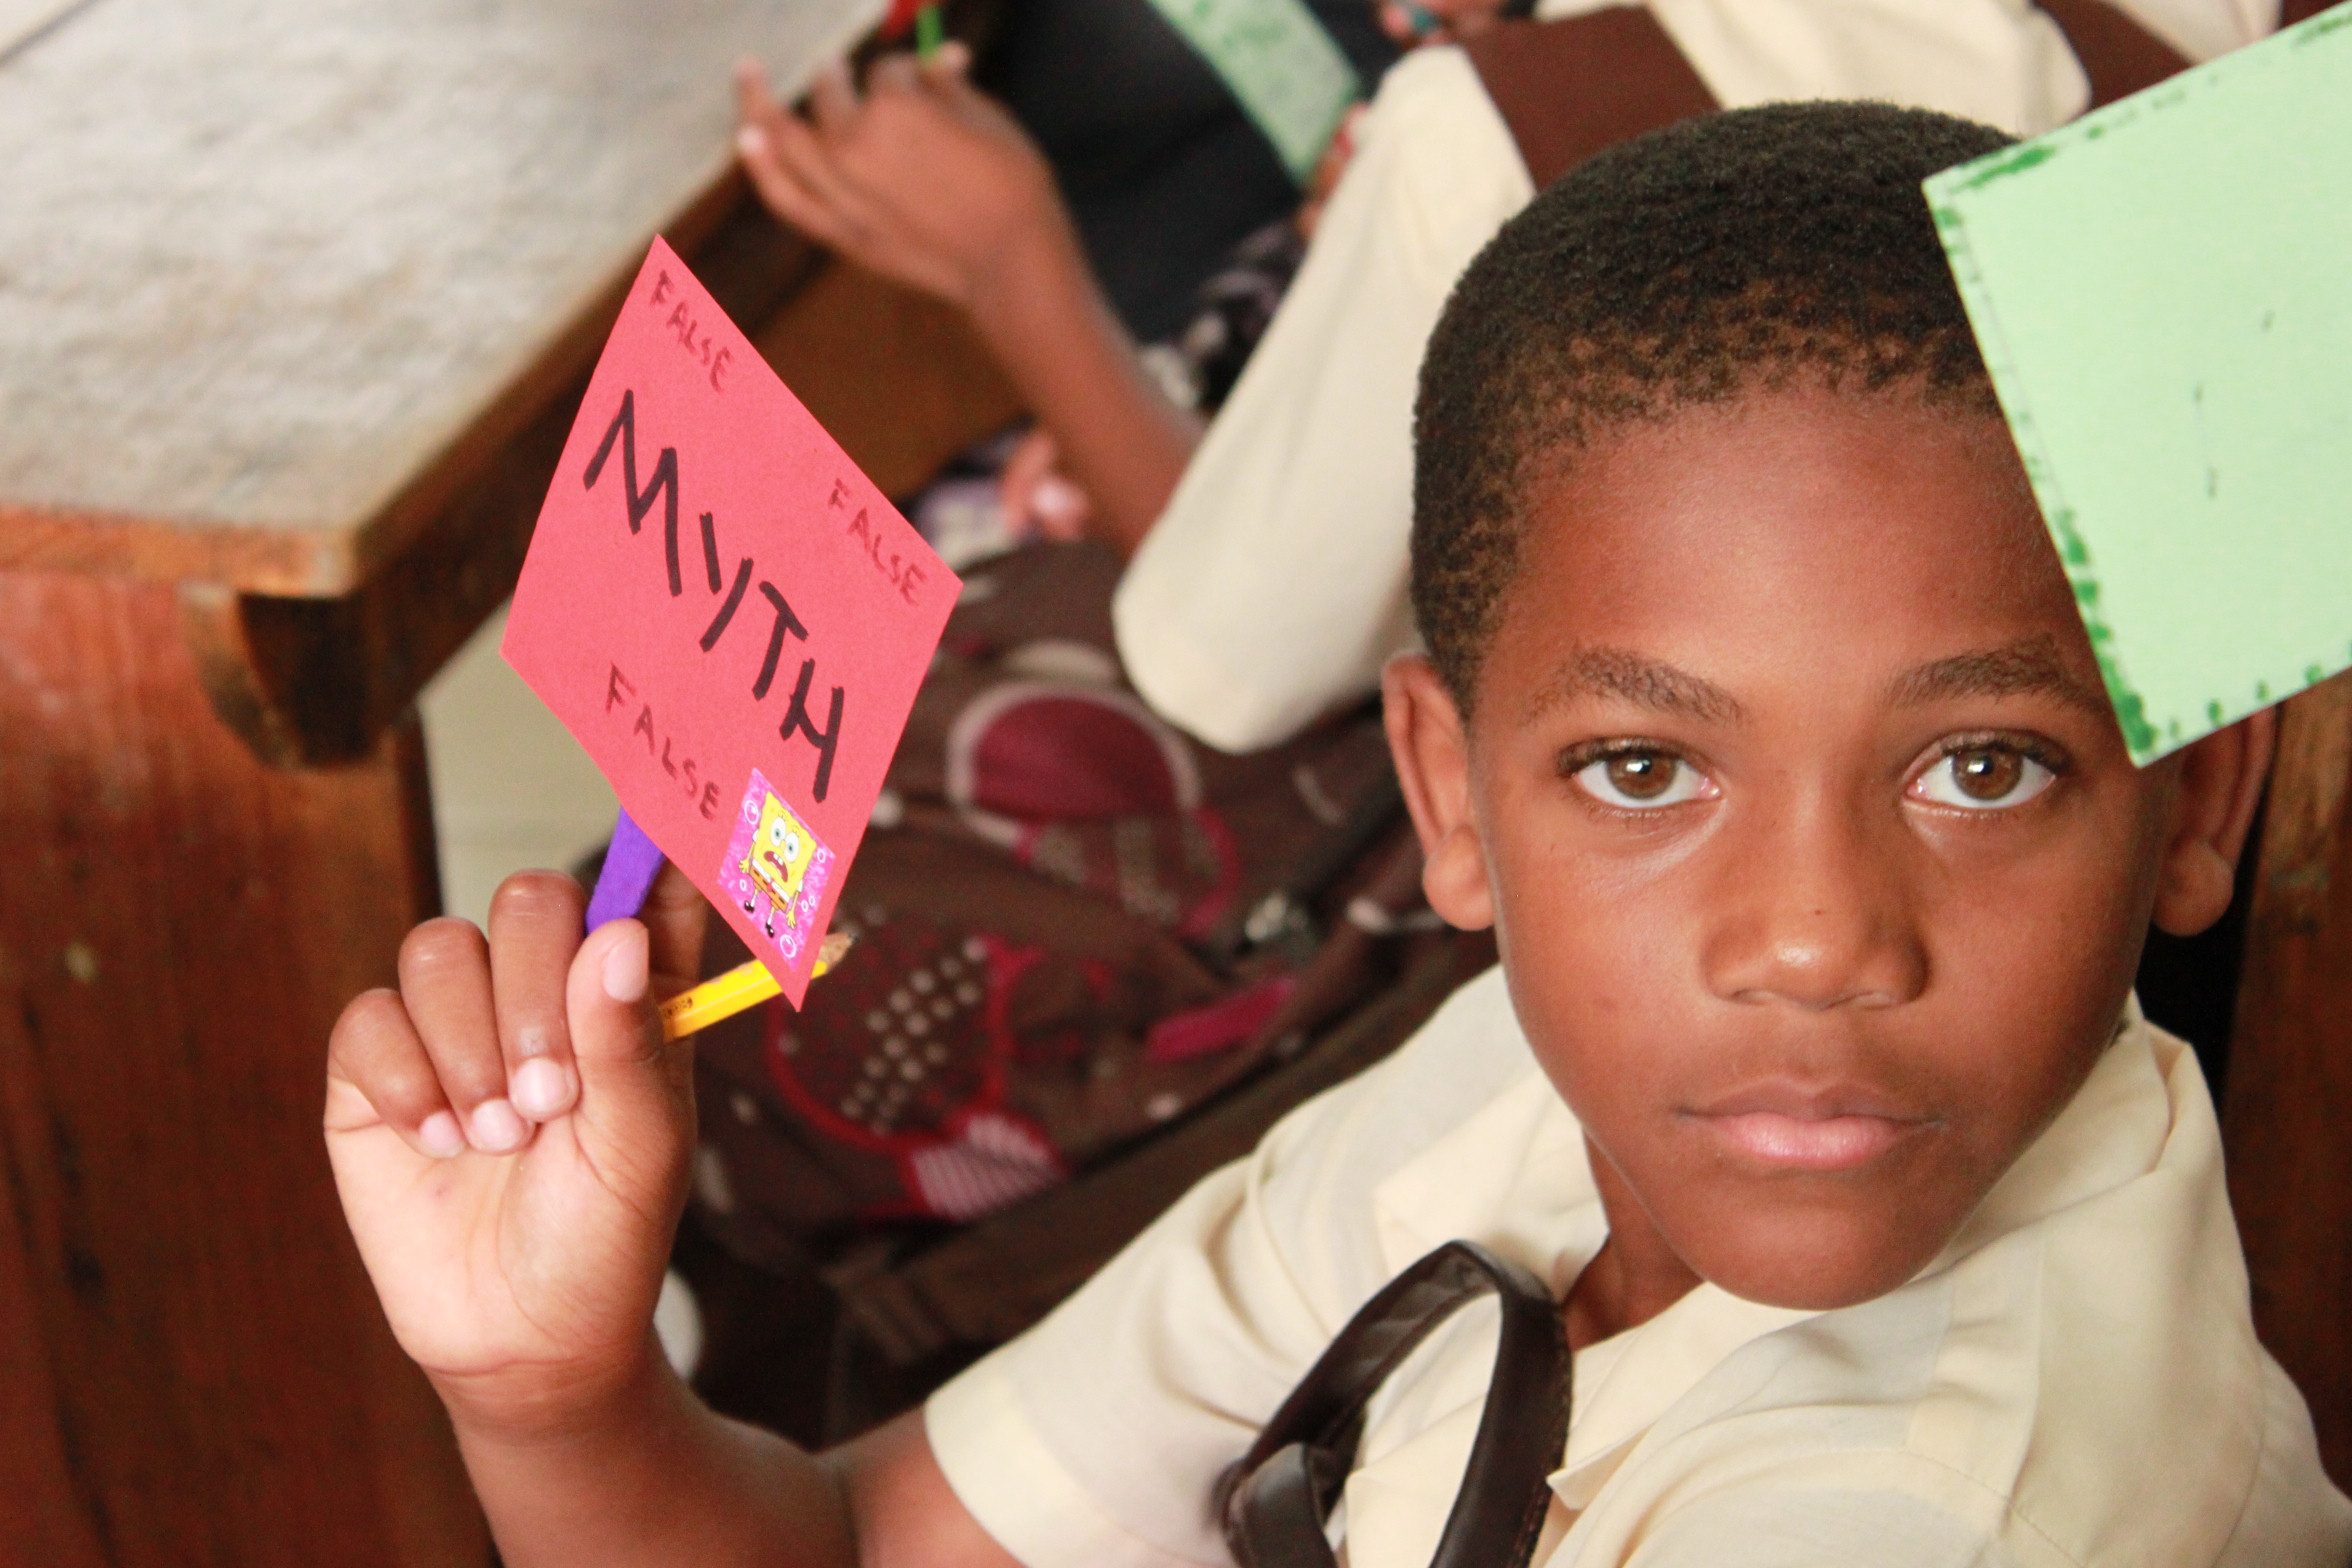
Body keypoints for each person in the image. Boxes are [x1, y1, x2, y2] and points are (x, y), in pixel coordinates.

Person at [323, 101, 2352, 1563]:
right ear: (1451, 804)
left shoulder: (1943, 1508)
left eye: (1978, 765)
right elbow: (863, 1547)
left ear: (2195, 806)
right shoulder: (1529, 1098)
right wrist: (552, 1389)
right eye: (1644, 770)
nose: (1814, 939)